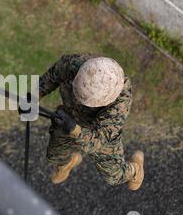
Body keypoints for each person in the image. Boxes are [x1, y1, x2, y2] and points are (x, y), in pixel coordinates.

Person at [38, 54, 144, 190]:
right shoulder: (75, 64)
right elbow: (52, 76)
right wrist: (33, 95)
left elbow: (98, 142)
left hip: (97, 132)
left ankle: (135, 170)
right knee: (54, 156)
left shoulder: (120, 103)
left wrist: (74, 129)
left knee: (114, 176)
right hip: (70, 117)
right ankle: (67, 164)